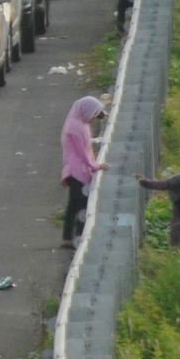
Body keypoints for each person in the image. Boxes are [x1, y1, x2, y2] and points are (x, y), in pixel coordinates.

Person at [60, 95, 106, 247]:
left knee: (73, 205)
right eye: (93, 114)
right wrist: (95, 166)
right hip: (77, 171)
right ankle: (78, 236)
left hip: (78, 170)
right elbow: (83, 152)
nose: (93, 119)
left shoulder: (80, 124)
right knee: (81, 204)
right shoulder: (76, 128)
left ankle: (67, 237)